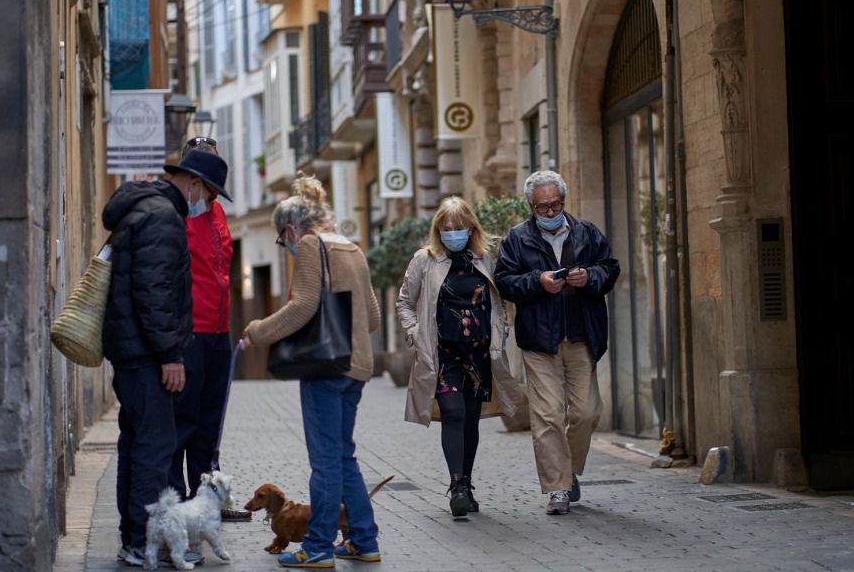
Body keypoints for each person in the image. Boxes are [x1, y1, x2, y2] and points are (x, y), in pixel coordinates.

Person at [241, 174, 382, 569]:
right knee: (343, 457)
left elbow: (303, 306)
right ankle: (363, 541)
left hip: (325, 369)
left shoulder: (308, 245)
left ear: (289, 228)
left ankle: (318, 546)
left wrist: (258, 331)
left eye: (280, 238)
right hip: (357, 366)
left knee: (324, 462)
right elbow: (371, 316)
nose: (284, 245)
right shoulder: (351, 247)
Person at [102, 152, 228, 566]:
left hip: (130, 353)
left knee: (136, 444)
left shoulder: (141, 208)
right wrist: (171, 355)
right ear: (192, 183)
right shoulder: (163, 218)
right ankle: (141, 540)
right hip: (145, 354)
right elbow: (155, 295)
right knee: (155, 450)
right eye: (208, 194)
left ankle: (131, 537)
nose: (207, 203)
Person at [493, 170, 620, 516]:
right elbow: (503, 281)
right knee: (547, 415)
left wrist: (588, 277)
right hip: (540, 341)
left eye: (556, 205)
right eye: (543, 207)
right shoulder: (516, 239)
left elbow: (610, 269)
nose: (551, 213)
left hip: (581, 336)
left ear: (563, 201)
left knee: (587, 412)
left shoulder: (587, 233)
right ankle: (558, 488)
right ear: (531, 206)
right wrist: (538, 281)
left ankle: (569, 471)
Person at [396, 196, 525, 518]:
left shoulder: (485, 259)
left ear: (471, 228)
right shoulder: (424, 260)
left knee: (470, 418)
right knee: (452, 412)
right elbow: (404, 302)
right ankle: (456, 485)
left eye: (459, 228)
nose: (453, 233)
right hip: (443, 353)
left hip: (479, 352)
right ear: (438, 229)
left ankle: (466, 483)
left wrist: (502, 331)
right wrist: (415, 335)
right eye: (447, 228)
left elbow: (499, 302)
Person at [167, 138, 252, 522]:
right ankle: (176, 505)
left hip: (218, 333)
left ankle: (206, 505)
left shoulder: (217, 213)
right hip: (189, 334)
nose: (210, 190)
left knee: (210, 424)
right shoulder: (175, 213)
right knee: (181, 424)